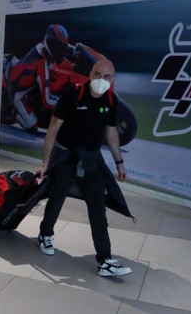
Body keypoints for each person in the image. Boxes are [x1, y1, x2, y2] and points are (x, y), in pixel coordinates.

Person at [36, 58, 133, 277]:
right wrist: (44, 163)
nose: (101, 79)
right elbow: (52, 130)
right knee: (58, 196)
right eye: (97, 74)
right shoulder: (74, 94)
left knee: (98, 207)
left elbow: (111, 132)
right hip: (66, 155)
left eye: (107, 76)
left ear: (113, 79)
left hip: (91, 159)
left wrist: (119, 163)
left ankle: (105, 260)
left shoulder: (111, 98)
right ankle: (45, 234)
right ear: (90, 75)